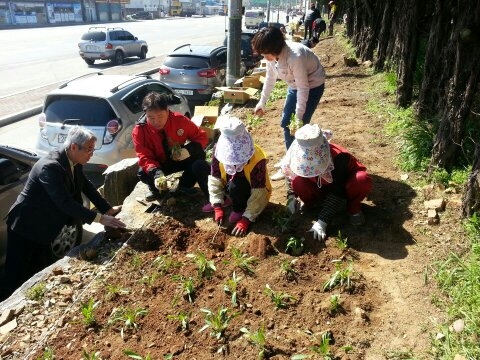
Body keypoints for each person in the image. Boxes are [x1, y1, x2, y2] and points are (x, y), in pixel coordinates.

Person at [2, 126, 126, 300]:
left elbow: (86, 186)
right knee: (15, 272)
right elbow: (64, 202)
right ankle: (6, 309)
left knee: (38, 268)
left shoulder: (74, 161)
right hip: (25, 226)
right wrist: (99, 218)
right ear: (74, 147)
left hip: (44, 227)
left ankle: (32, 301)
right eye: (89, 149)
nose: (91, 154)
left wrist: (107, 209)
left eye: (93, 149)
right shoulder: (50, 167)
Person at [252, 26, 326, 180]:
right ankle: (290, 161)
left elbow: (303, 88)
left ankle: (297, 166)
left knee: (298, 127)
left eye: (265, 54)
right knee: (286, 123)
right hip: (295, 85)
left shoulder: (295, 56)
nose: (265, 58)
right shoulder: (273, 58)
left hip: (312, 86)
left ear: (275, 49)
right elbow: (270, 79)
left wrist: (298, 117)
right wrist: (262, 102)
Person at [280, 124, 372, 240]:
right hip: (319, 185)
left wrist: (323, 221)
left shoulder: (339, 158)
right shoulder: (296, 150)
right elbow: (289, 172)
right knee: (298, 182)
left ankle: (353, 207)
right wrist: (291, 196)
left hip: (343, 186)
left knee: (361, 180)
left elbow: (337, 190)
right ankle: (314, 203)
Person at [132, 92, 210, 205]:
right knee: (143, 173)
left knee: (199, 155)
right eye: (151, 118)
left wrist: (188, 150)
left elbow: (201, 136)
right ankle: (156, 189)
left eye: (160, 116)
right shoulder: (140, 130)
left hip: (178, 158)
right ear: (145, 114)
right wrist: (156, 172)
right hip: (159, 163)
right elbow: (143, 156)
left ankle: (184, 185)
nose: (156, 122)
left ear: (167, 111)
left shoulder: (179, 120)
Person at [207, 116, 271, 237]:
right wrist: (217, 205)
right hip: (230, 184)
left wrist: (246, 219)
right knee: (229, 184)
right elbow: (215, 177)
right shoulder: (218, 150)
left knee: (236, 186)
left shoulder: (257, 159)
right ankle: (227, 200)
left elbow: (259, 192)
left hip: (250, 190)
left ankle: (240, 208)